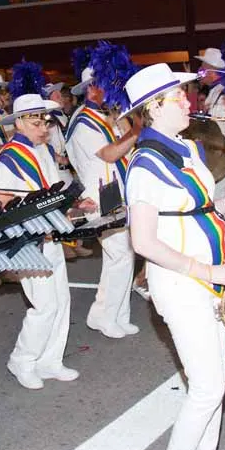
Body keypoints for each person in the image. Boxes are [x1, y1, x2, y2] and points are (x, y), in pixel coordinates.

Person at [124, 64, 225, 450]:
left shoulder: (189, 148)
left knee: (216, 378)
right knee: (208, 386)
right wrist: (207, 272)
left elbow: (201, 208)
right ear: (154, 107)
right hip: (182, 283)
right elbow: (143, 242)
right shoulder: (144, 164)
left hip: (214, 271)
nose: (187, 100)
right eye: (177, 96)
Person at [0, 94, 96, 390]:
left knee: (61, 301)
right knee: (45, 305)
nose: (44, 128)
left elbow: (55, 193)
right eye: (36, 123)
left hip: (50, 236)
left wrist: (75, 204)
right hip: (27, 241)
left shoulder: (43, 150)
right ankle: (22, 360)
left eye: (46, 122)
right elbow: (2, 202)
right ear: (19, 124)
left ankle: (50, 360)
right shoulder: (10, 158)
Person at [66, 63, 140, 338]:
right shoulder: (84, 122)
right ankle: (104, 316)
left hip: (114, 191)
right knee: (120, 255)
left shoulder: (104, 116)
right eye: (106, 85)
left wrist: (124, 120)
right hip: (98, 196)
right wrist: (136, 130)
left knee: (121, 256)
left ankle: (116, 315)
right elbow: (110, 154)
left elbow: (125, 148)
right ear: (92, 88)